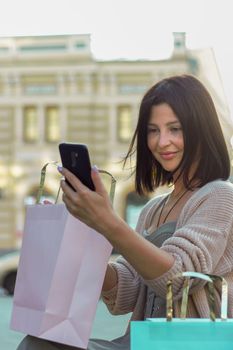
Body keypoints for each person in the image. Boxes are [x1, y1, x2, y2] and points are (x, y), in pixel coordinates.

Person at [17, 74, 233, 350]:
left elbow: (180, 279)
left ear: (200, 130)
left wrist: (107, 221)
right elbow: (126, 293)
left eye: (174, 129)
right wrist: (75, 239)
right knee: (38, 343)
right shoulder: (155, 208)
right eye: (153, 131)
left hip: (190, 344)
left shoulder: (220, 195)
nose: (162, 141)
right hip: (141, 343)